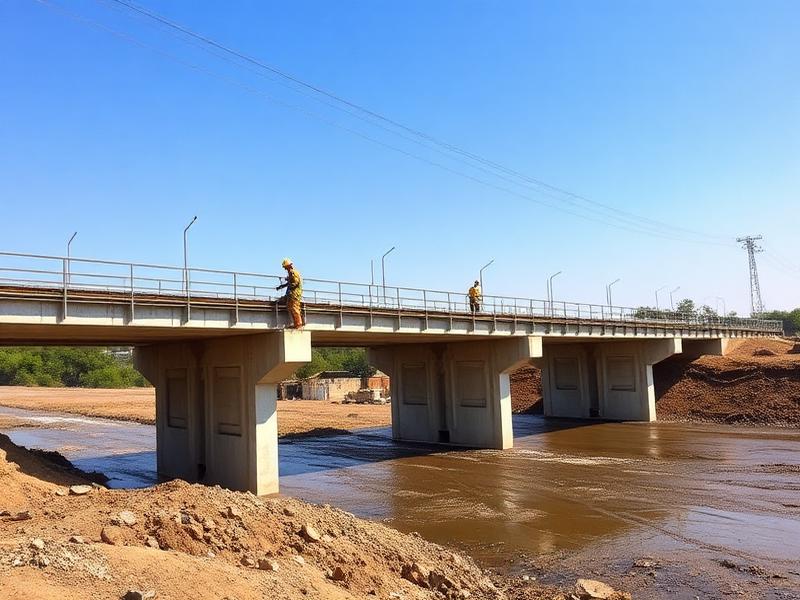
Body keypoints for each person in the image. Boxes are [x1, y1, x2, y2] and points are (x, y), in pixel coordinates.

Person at [276, 258, 304, 328]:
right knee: (290, 306)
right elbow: (290, 283)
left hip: (295, 294)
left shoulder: (293, 272)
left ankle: (298, 324)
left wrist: (289, 286)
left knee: (294, 308)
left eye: (285, 267)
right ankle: (295, 323)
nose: (285, 269)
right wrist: (281, 286)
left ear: (289, 266)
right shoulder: (290, 273)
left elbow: (295, 283)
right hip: (291, 294)